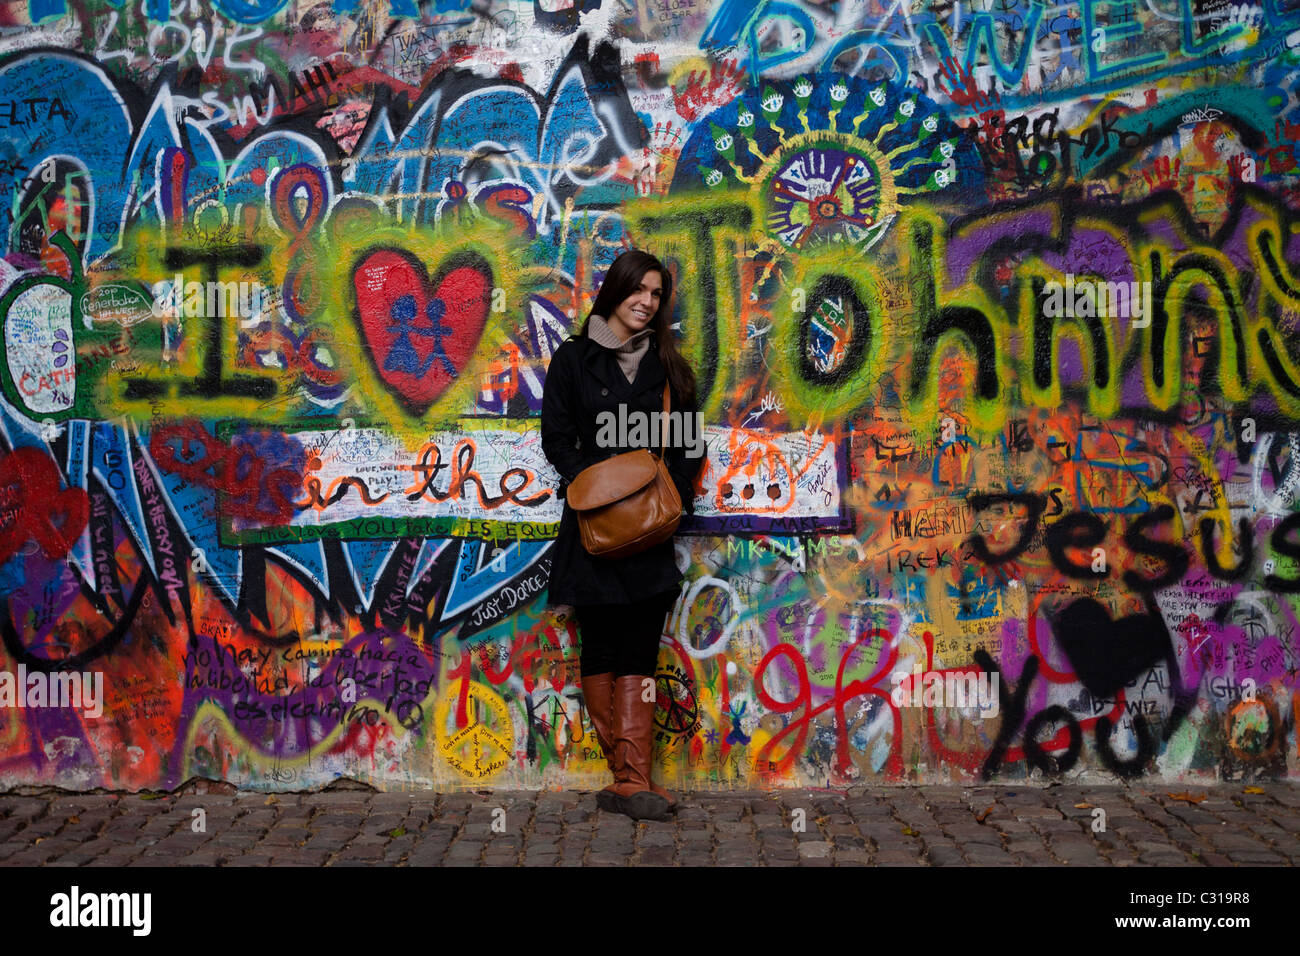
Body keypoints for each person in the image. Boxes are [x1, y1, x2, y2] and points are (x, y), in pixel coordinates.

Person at [541, 249, 705, 822]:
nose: (648, 302)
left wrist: (676, 496)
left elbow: (689, 443)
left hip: (651, 532)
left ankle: (632, 780)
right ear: (615, 291)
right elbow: (556, 439)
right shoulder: (572, 360)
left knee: (640, 649)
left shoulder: (669, 364)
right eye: (640, 290)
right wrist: (595, 488)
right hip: (594, 531)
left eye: (658, 295)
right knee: (602, 646)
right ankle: (627, 779)